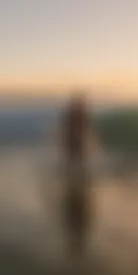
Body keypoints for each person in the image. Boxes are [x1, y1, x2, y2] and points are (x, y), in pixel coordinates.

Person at [59, 91, 93, 260]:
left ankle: (75, 177)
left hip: (75, 140)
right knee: (75, 162)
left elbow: (85, 126)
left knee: (76, 162)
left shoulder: (76, 112)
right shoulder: (76, 112)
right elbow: (71, 127)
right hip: (73, 140)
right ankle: (75, 179)